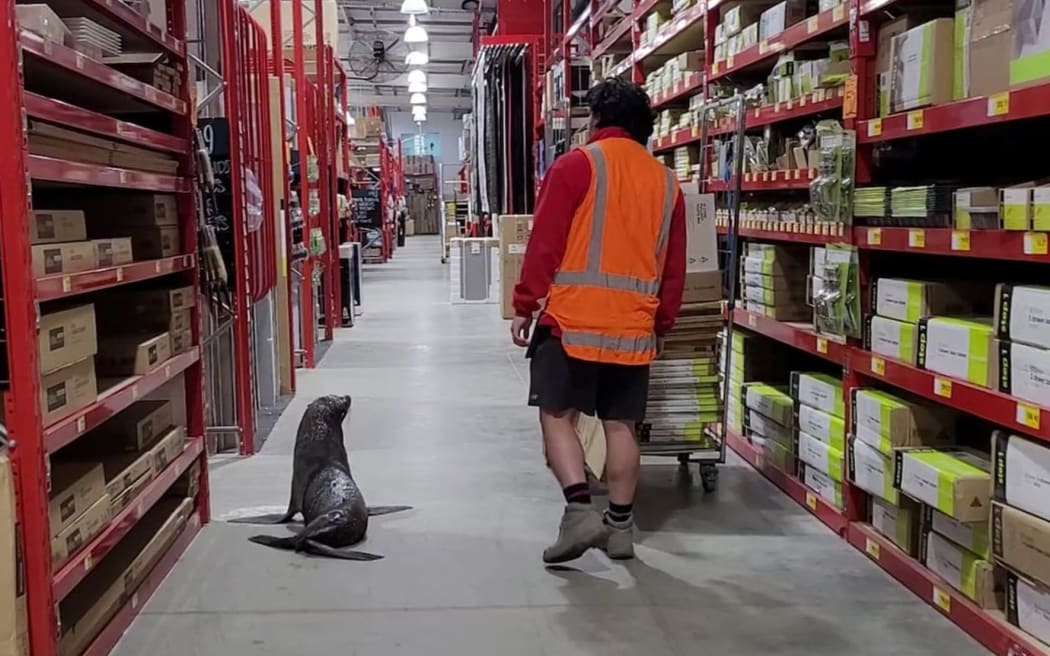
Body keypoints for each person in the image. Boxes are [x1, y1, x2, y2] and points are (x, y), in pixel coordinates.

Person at [510, 78, 686, 564]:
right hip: (633, 328)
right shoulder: (667, 183)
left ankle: (578, 511)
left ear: (597, 121)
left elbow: (544, 243)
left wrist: (526, 304)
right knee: (621, 424)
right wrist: (662, 325)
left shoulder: (577, 166)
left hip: (571, 323)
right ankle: (621, 529)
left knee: (556, 415)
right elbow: (673, 267)